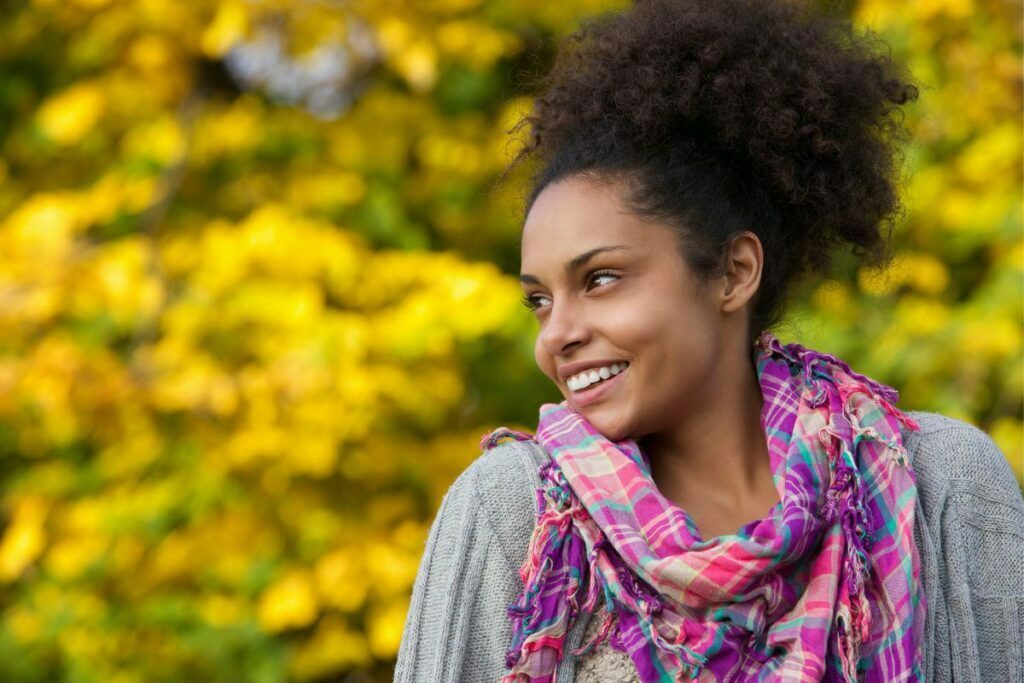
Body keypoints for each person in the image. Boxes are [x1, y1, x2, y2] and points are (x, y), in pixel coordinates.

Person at [393, 0, 1024, 681]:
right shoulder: (514, 514)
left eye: (601, 279)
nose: (558, 336)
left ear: (733, 271)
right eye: (540, 301)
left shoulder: (940, 486)